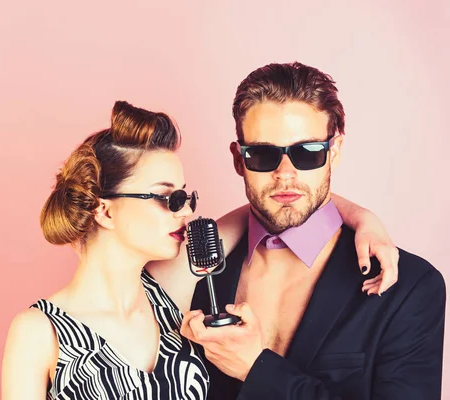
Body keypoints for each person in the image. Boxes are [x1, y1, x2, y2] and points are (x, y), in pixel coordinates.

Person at [1, 100, 399, 400]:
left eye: (185, 196)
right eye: (166, 198)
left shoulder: (171, 296)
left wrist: (363, 218)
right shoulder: (38, 332)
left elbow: (277, 201)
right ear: (104, 209)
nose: (186, 211)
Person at [180, 62, 446, 399]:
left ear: (333, 153)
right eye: (263, 154)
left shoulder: (408, 286)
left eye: (307, 153)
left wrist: (257, 370)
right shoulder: (198, 274)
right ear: (238, 159)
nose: (285, 173)